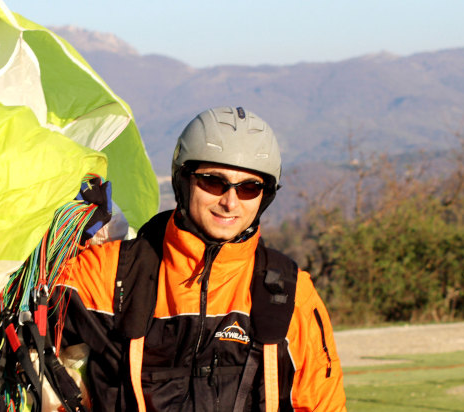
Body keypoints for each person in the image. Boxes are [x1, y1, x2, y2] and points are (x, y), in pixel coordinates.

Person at [52, 106, 346, 411]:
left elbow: (323, 402)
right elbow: (20, 309)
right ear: (183, 180)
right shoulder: (107, 274)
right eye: (213, 182)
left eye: (249, 188)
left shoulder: (289, 292)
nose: (230, 201)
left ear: (265, 196)